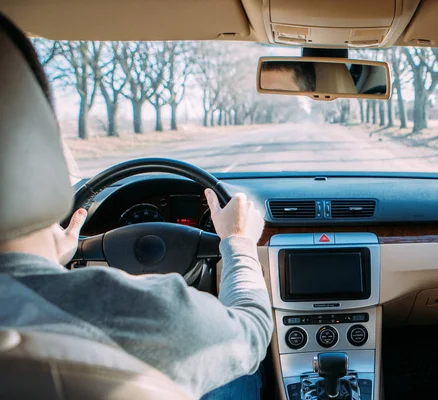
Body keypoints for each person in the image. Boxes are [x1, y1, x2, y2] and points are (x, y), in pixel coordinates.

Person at [0, 13, 273, 400]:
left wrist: (49, 261)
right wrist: (238, 244)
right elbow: (251, 333)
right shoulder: (141, 317)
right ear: (35, 153)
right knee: (236, 375)